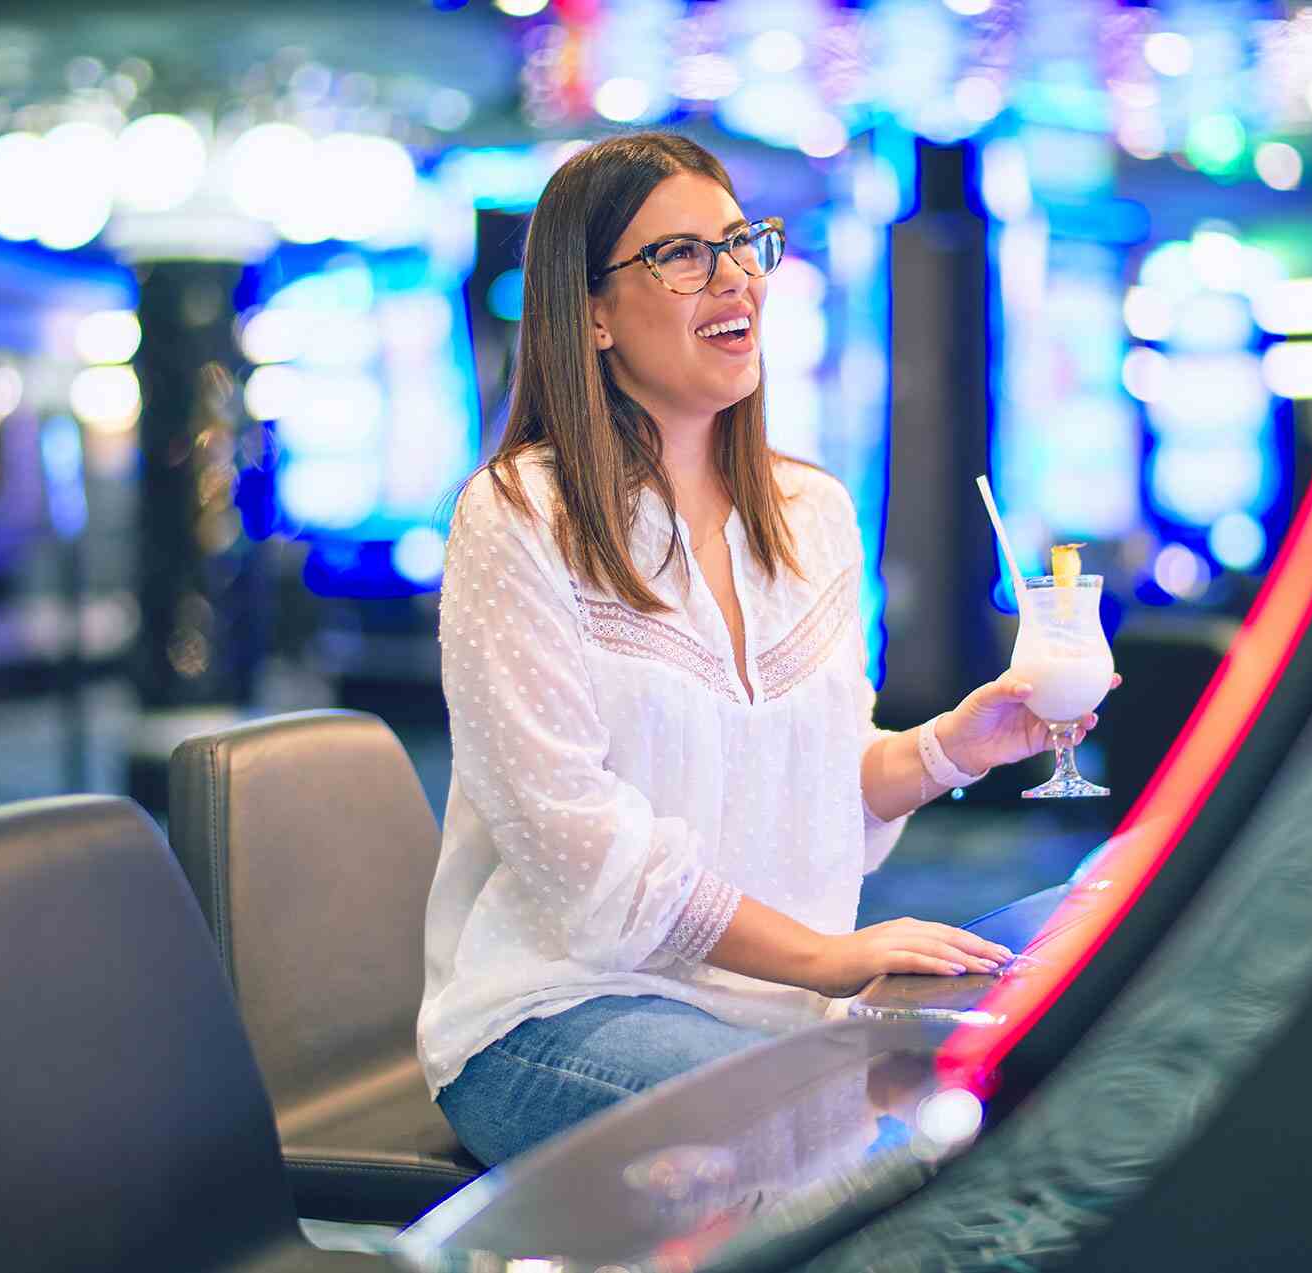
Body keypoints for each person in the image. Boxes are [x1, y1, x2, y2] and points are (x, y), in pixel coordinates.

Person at [418, 132, 1106, 1167]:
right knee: (828, 1145)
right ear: (591, 312)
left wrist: (956, 746)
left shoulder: (810, 510)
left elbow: (814, 782)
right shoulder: (519, 515)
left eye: (742, 243)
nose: (735, 274)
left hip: (774, 1011)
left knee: (994, 1106)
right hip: (557, 1014)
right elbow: (581, 851)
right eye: (682, 254)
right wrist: (825, 957)